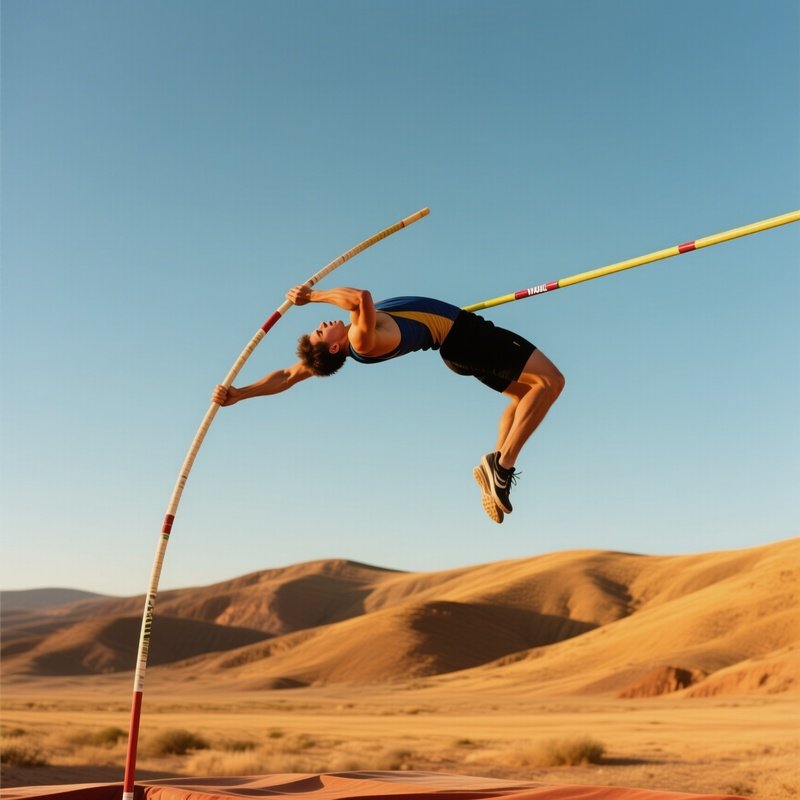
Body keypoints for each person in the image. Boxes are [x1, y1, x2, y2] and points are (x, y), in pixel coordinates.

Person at [212, 285, 564, 523]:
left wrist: (240, 393)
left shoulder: (354, 336)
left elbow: (287, 376)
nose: (320, 325)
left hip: (458, 347)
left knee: (521, 396)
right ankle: (502, 467)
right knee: (550, 381)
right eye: (320, 333)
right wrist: (313, 296)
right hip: (466, 338)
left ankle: (494, 465)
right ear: (334, 348)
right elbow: (360, 298)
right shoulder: (361, 338)